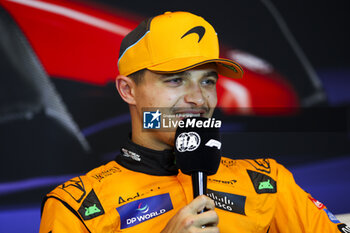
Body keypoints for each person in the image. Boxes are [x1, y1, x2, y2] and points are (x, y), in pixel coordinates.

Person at [39, 11, 349, 233]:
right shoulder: (76, 206)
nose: (199, 100)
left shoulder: (267, 182)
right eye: (176, 81)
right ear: (127, 90)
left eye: (208, 81)